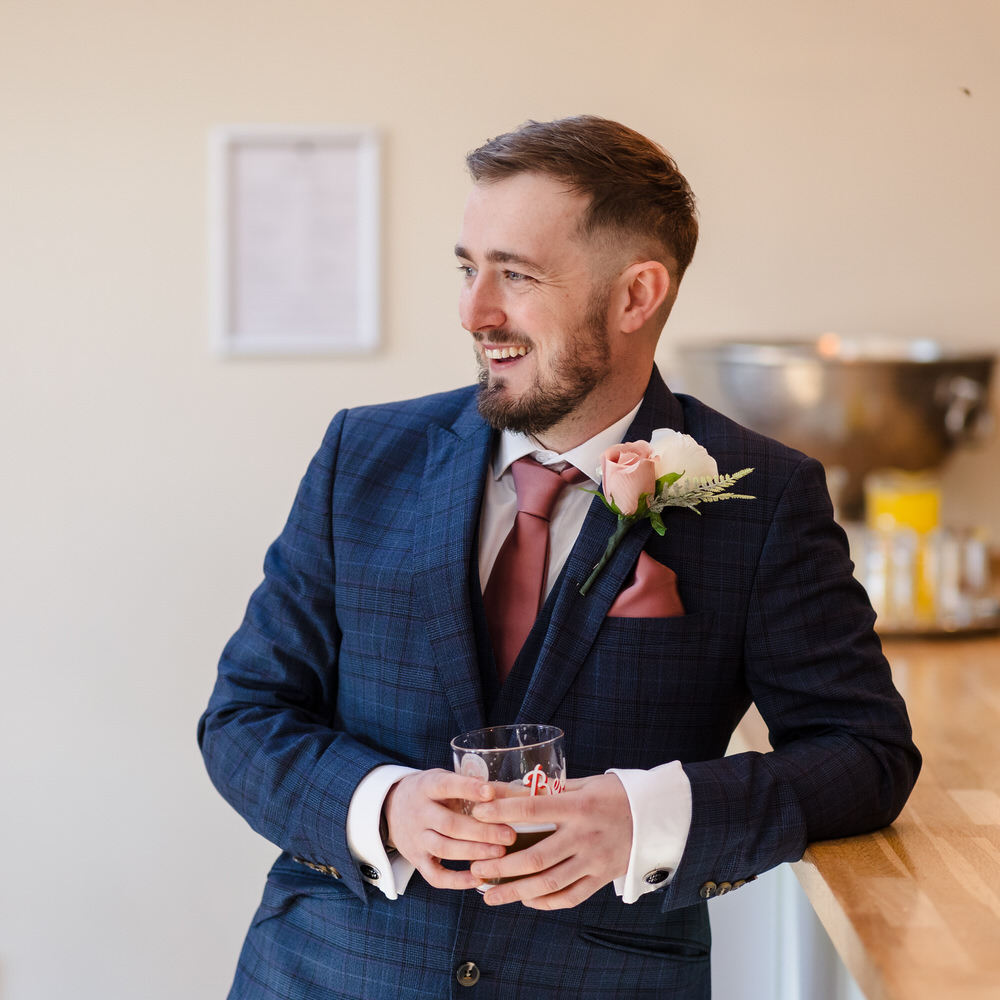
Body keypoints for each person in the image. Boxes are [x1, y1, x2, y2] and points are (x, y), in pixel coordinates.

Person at [199, 115, 920, 999]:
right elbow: (245, 717)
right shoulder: (362, 457)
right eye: (467, 268)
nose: (475, 312)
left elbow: (865, 754)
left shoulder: (762, 497)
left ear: (635, 295)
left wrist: (644, 818)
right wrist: (382, 803)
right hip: (322, 976)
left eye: (517, 274)